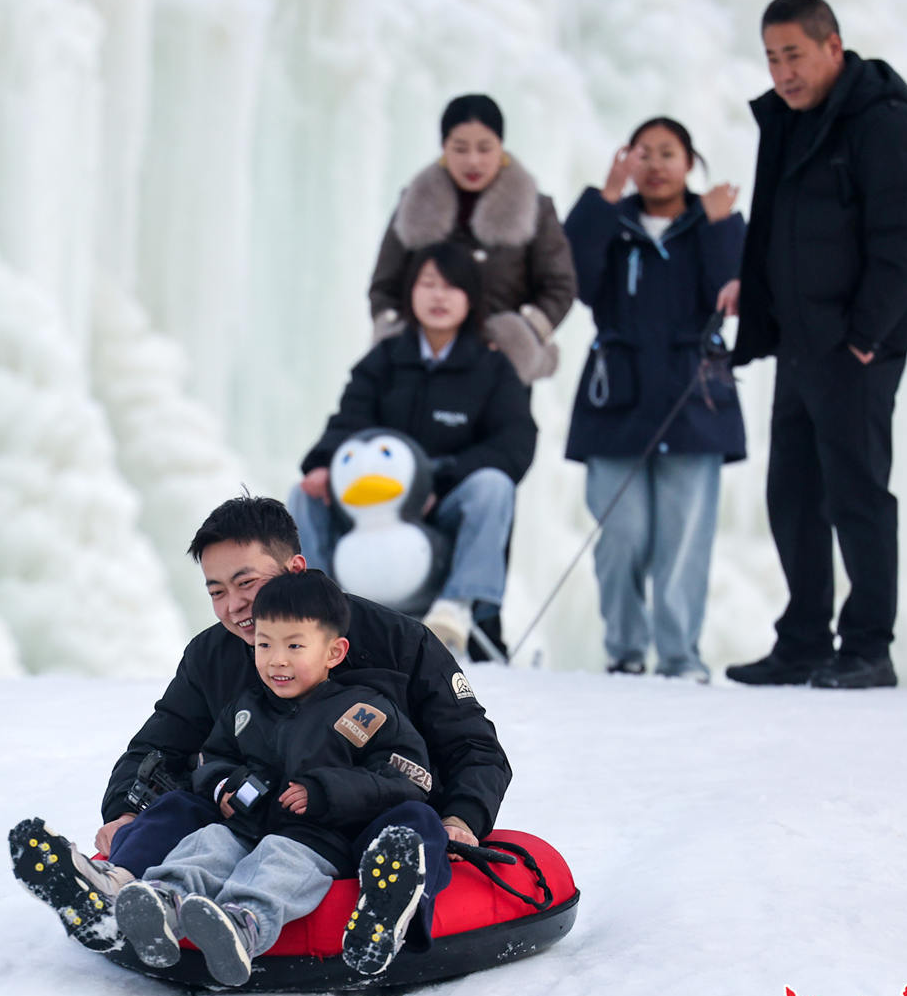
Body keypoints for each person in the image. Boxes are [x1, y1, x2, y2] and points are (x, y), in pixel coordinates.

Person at [9, 495, 510, 974]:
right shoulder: (214, 655)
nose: (234, 606)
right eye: (217, 591)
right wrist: (125, 811)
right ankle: (114, 890)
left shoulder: (399, 641)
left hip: (358, 819)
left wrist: (460, 817)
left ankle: (389, 911)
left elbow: (472, 746)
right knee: (182, 806)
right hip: (254, 816)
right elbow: (160, 746)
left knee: (412, 820)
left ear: (294, 570)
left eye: (246, 582)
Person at [720, 0, 907, 690]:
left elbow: (900, 242)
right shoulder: (786, 119)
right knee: (791, 493)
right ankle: (805, 639)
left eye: (794, 55)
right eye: (772, 57)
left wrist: (867, 336)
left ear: (832, 48)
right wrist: (754, 295)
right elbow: (777, 228)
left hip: (854, 346)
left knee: (855, 493)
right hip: (799, 341)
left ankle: (868, 645)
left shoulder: (883, 123)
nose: (783, 71)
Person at [114, 570, 433, 986]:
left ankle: (242, 926)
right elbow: (212, 756)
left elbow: (409, 776)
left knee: (279, 863)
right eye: (264, 645)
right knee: (207, 843)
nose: (276, 660)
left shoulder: (363, 711)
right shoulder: (246, 709)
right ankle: (162, 902)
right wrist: (224, 785)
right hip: (246, 824)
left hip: (316, 838)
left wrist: (326, 791)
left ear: (334, 652)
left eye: (294, 646)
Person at [563, 117, 747, 682]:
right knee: (620, 534)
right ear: (628, 160)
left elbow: (733, 296)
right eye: (644, 153)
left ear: (690, 162)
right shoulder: (610, 220)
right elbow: (576, 279)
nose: (656, 164)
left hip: (694, 400)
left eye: (669, 153)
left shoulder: (713, 220)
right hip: (616, 396)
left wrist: (721, 226)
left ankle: (679, 658)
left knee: (683, 539)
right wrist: (605, 196)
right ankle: (624, 649)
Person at [292, 241, 536, 656]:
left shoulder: (492, 368)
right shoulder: (384, 361)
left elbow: (514, 445)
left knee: (494, 486)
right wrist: (322, 466)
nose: (438, 296)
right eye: (428, 284)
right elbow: (348, 421)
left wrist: (436, 482)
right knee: (304, 493)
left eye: (451, 286)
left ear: (471, 298)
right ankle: (321, 612)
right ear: (410, 293)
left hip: (444, 503)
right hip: (375, 505)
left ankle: (457, 610)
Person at [369, 93, 577, 387]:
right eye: (460, 148)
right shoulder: (413, 205)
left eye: (484, 148)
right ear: (444, 149)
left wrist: (521, 335)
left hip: (500, 369)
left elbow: (560, 285)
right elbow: (384, 285)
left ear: (501, 148)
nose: (473, 160)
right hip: (420, 369)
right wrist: (397, 339)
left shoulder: (535, 209)